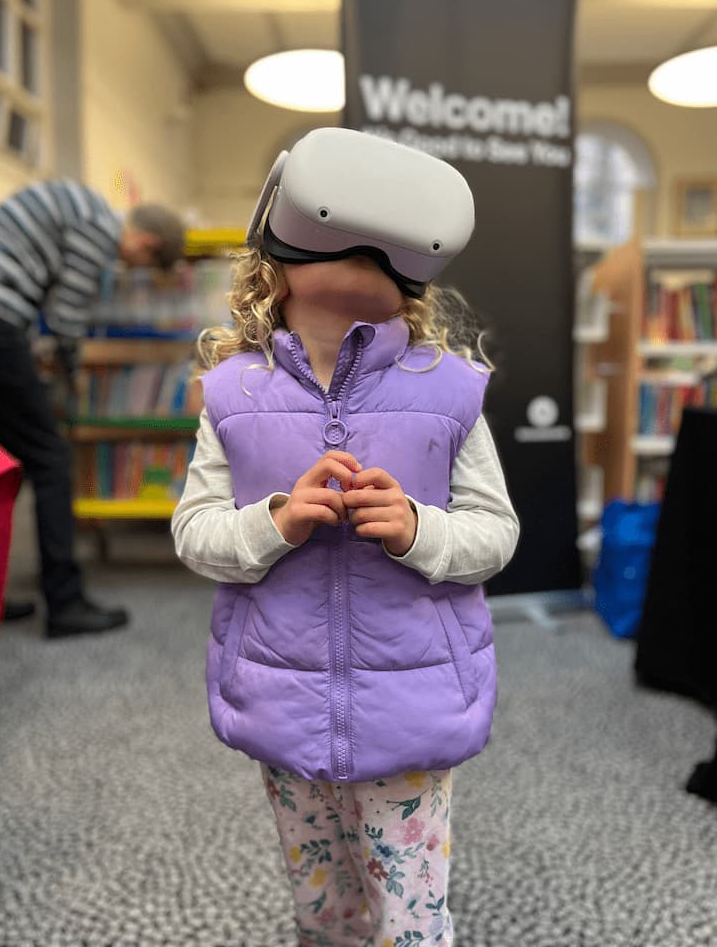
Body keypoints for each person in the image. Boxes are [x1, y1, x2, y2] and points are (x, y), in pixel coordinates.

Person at [172, 128, 519, 946]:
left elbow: (495, 533)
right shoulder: (232, 394)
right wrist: (275, 523)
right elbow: (195, 533)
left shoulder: (450, 392)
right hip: (284, 702)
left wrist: (418, 533)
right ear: (276, 263)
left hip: (413, 706)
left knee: (412, 918)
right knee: (323, 910)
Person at [0, 179, 185, 638]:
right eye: (142, 263)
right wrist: (72, 373)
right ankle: (65, 604)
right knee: (50, 459)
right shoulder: (100, 230)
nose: (128, 268)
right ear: (149, 242)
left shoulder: (84, 208)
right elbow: (67, 319)